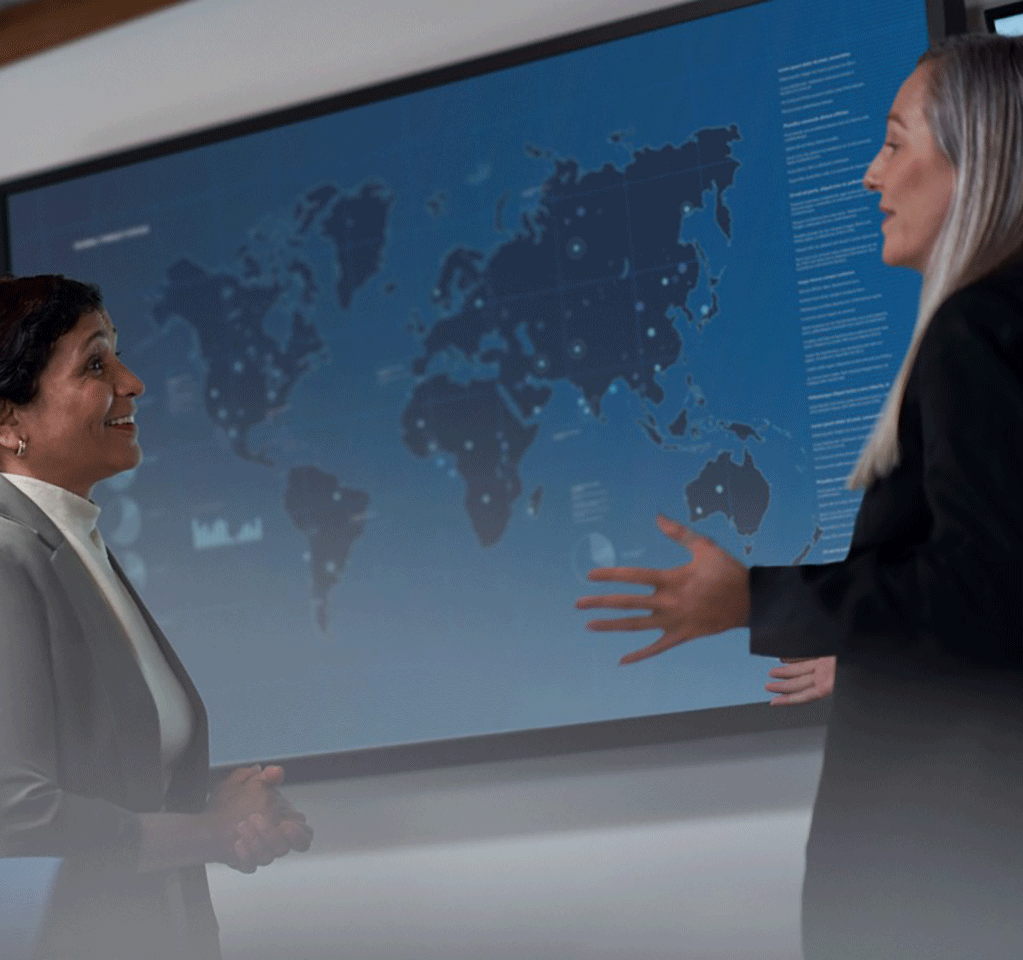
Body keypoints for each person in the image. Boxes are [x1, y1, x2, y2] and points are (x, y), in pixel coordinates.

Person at [577, 34, 1023, 960]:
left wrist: (758, 601)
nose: (871, 175)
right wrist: (871, 651)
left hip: (950, 869)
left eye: (895, 142)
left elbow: (991, 592)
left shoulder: (976, 331)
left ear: (974, 158)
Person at [0, 275, 314, 960]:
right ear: (7, 421)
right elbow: (14, 815)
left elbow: (92, 768)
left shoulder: (72, 542)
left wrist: (217, 803)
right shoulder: (4, 555)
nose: (133, 381)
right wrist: (205, 829)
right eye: (95, 363)